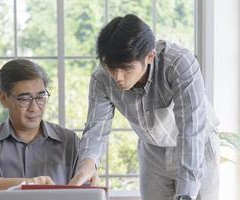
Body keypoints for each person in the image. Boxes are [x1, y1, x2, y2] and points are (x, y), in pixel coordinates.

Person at [69, 14, 220, 200]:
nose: (117, 77)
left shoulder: (179, 64)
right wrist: (87, 165)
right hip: (152, 149)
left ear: (150, 56)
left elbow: (191, 131)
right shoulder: (101, 79)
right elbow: (96, 131)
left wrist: (186, 195)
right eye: (111, 67)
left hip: (198, 145)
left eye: (126, 68)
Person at [0, 59, 79, 190]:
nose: (34, 108)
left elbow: (87, 193)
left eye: (40, 97)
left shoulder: (70, 141)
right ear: (3, 99)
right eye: (24, 99)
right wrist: (30, 184)